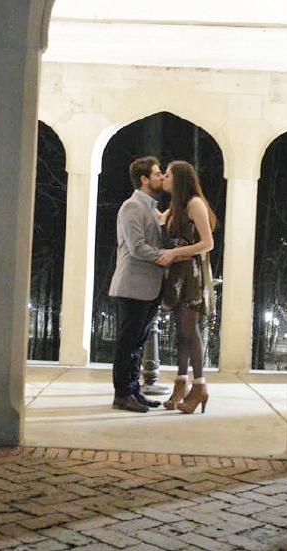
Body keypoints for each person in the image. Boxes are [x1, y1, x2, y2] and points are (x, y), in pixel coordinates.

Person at [108, 156, 168, 412]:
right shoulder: (132, 206)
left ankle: (134, 390)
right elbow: (137, 247)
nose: (161, 176)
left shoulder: (150, 208)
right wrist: (166, 256)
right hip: (132, 286)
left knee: (137, 343)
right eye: (157, 173)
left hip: (148, 287)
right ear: (144, 179)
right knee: (127, 344)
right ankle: (122, 394)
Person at [156, 161, 217, 414]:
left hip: (191, 275)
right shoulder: (176, 207)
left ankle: (200, 386)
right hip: (176, 274)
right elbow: (163, 223)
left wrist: (173, 253)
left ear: (180, 179)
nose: (164, 178)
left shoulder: (195, 204)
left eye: (168, 175)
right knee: (181, 332)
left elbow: (207, 243)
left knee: (190, 330)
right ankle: (180, 384)